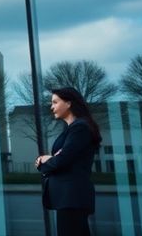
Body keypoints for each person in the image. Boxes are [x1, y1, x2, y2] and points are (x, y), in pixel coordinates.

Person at [36, 87, 101, 236]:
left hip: (72, 198)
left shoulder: (80, 128)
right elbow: (62, 158)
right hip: (68, 199)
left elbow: (62, 160)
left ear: (69, 103)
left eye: (55, 102)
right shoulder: (73, 128)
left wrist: (45, 161)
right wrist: (56, 157)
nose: (52, 107)